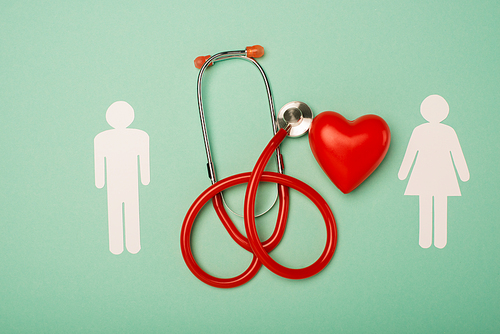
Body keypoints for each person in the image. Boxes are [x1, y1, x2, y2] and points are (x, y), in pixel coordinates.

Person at [398, 95, 469, 248]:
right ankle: (438, 240)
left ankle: (428, 240)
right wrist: (463, 174)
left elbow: (411, 153)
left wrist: (403, 173)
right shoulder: (447, 131)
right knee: (438, 205)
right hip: (438, 174)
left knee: (428, 206)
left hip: (427, 174)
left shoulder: (421, 130)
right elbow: (456, 153)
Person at [94, 101, 150, 254]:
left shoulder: (102, 138)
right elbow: (143, 161)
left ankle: (117, 247)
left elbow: (99, 163)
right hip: (126, 181)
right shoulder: (139, 136)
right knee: (130, 210)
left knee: (116, 212)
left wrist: (100, 182)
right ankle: (132, 246)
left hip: (117, 182)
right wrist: (145, 178)